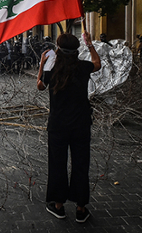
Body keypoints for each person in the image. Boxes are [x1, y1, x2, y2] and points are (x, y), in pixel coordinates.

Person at [37, 32, 101, 223]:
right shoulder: (82, 67)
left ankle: (58, 206)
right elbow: (97, 64)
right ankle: (81, 209)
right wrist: (90, 45)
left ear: (58, 48)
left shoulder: (52, 67)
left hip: (58, 126)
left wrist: (42, 63)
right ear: (76, 49)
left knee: (57, 164)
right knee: (81, 164)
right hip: (81, 125)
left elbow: (40, 86)